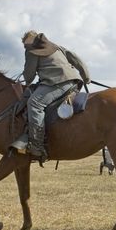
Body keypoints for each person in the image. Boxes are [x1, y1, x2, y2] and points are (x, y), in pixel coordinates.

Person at [21, 30, 90, 161]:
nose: (25, 48)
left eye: (24, 45)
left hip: (56, 84)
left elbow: (29, 76)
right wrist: (86, 77)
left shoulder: (31, 50)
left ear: (27, 42)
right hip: (74, 83)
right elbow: (76, 58)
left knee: (34, 104)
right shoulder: (55, 46)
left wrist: (27, 78)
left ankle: (36, 147)